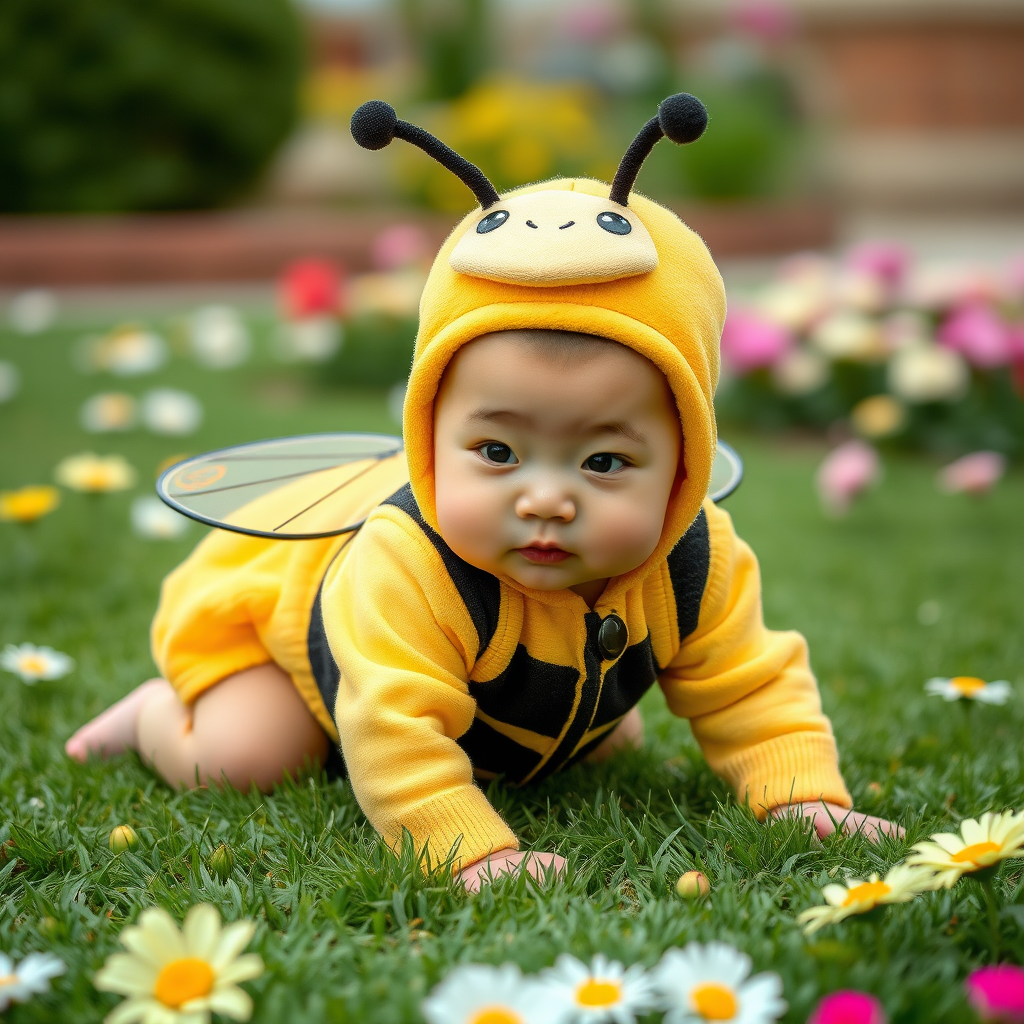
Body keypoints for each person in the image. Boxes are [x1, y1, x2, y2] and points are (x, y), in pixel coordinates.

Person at [66, 97, 900, 892]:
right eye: (497, 451)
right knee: (250, 754)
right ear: (429, 436)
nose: (545, 499)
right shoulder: (410, 562)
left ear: (684, 461)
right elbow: (391, 726)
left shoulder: (695, 561)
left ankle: (531, 721)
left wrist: (802, 795)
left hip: (491, 684)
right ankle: (148, 717)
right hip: (292, 659)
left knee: (606, 731)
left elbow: (752, 683)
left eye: (604, 462)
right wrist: (464, 852)